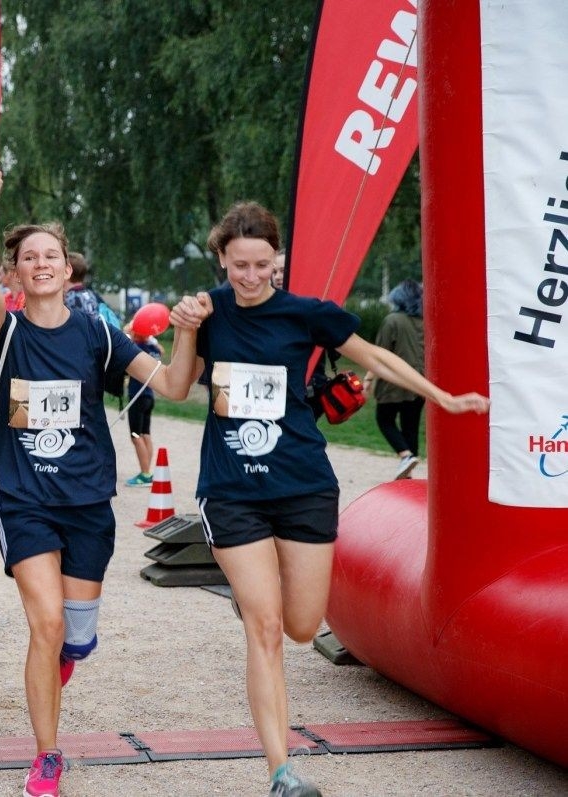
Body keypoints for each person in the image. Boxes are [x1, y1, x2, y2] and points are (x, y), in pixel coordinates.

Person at [162, 201, 489, 797]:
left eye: (262, 264)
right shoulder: (207, 312)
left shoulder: (306, 314)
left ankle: (258, 600)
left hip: (303, 484)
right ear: (222, 260)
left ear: (278, 259)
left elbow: (376, 357)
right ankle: (281, 771)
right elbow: (179, 386)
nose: (251, 276)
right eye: (239, 265)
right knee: (265, 627)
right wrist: (185, 329)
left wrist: (441, 397)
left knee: (302, 625)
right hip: (232, 490)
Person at [0, 165, 182, 797]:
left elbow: (172, 385)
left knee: (75, 637)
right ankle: (47, 756)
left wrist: (191, 332)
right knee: (46, 624)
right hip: (26, 501)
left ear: (67, 270)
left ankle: (68, 652)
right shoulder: (4, 330)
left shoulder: (96, 333)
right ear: (15, 274)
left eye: (50, 256)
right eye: (27, 257)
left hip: (89, 503)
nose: (39, 263)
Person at [364, 279, 425, 479]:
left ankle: (405, 456)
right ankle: (408, 471)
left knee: (384, 419)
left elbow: (379, 353)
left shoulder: (392, 320)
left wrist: (368, 379)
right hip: (419, 383)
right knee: (411, 426)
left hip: (394, 383)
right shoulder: (424, 321)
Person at [123, 328, 162, 486]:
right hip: (149, 396)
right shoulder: (154, 349)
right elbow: (161, 351)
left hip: (137, 396)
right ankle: (147, 471)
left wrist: (129, 334)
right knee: (145, 434)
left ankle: (145, 473)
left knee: (135, 435)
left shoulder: (136, 348)